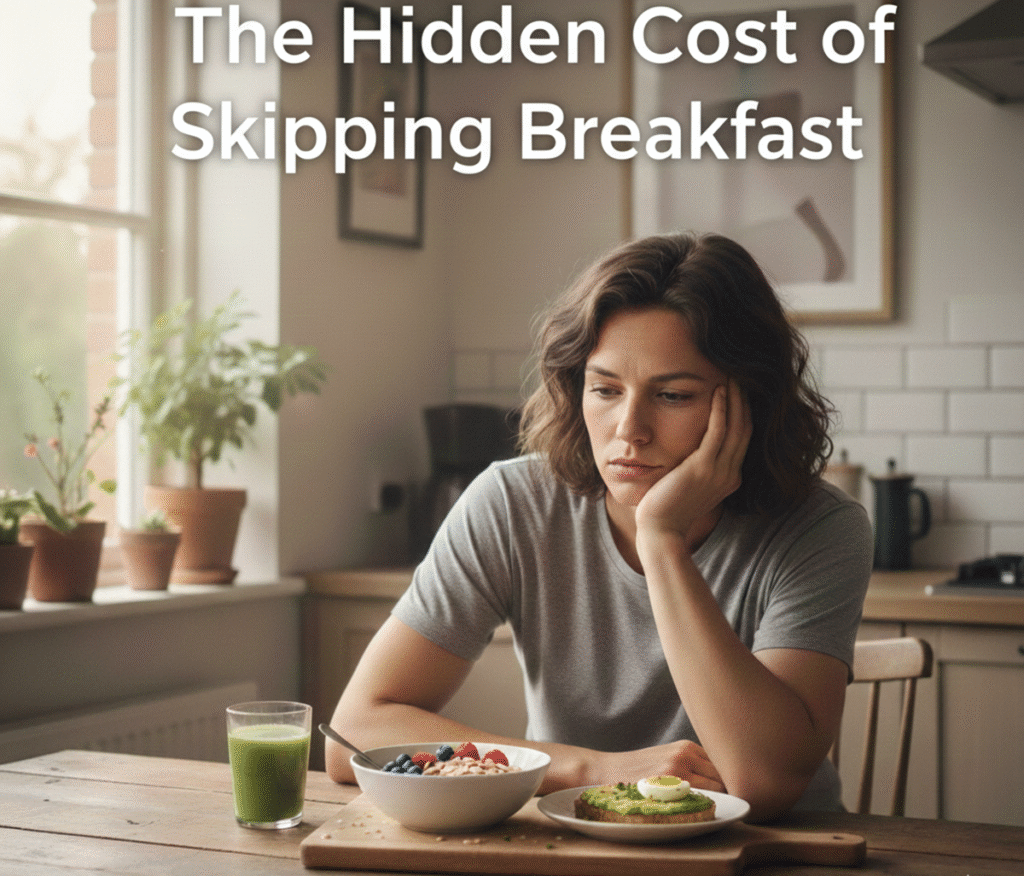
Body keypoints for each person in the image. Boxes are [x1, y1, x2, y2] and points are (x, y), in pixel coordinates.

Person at [326, 232, 872, 821]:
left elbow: (762, 783)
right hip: (575, 842)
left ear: (748, 405)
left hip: (774, 855)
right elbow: (355, 732)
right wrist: (591, 768)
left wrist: (661, 537)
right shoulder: (514, 501)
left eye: (672, 394)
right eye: (606, 389)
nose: (628, 429)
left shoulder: (822, 527)